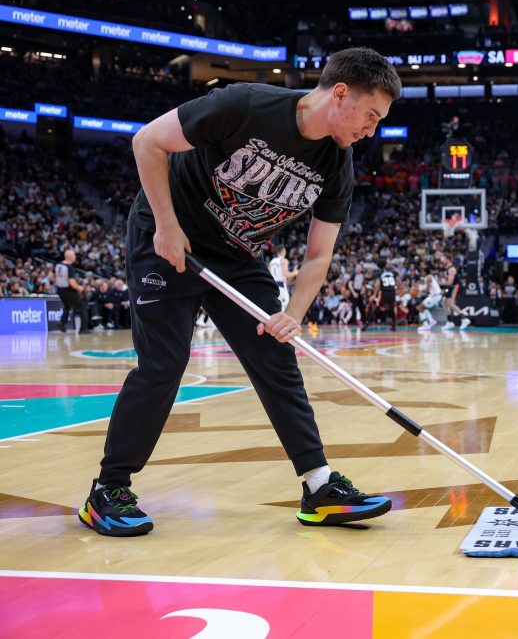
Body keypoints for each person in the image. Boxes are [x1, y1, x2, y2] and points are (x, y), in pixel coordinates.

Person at [79, 47, 402, 537]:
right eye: (371, 115)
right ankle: (108, 490)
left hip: (236, 255)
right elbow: (147, 142)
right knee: (164, 364)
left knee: (277, 354)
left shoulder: (338, 163)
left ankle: (318, 488)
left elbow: (318, 255)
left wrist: (292, 314)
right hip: (169, 241)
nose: (371, 130)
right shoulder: (246, 105)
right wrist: (165, 227)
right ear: (341, 94)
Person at [55, 249, 90, 333]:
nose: (75, 257)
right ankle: (83, 329)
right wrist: (80, 288)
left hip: (60, 290)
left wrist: (60, 282)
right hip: (68, 290)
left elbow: (51, 275)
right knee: (82, 307)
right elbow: (72, 282)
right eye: (74, 255)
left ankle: (62, 322)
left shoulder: (58, 265)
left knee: (67, 306)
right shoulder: (69, 267)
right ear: (70, 257)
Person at [268, 245, 299, 310]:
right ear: (283, 251)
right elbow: (285, 274)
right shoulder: (284, 260)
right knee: (284, 307)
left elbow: (269, 275)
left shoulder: (272, 261)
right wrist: (295, 272)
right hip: (281, 287)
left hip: (272, 287)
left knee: (274, 308)